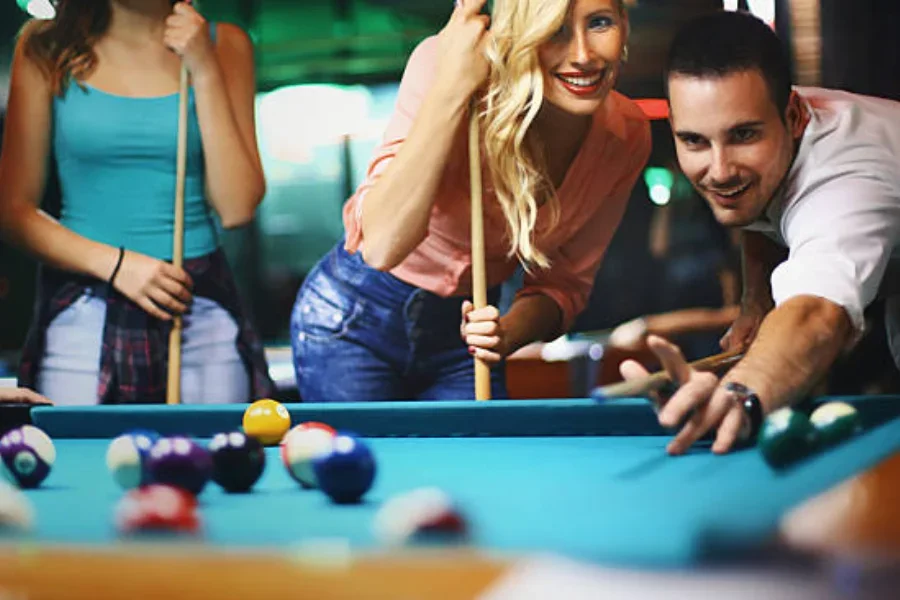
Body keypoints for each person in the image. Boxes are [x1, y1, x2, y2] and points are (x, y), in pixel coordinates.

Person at [290, 0, 651, 402]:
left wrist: (506, 333)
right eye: (554, 30)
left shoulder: (628, 134)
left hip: (467, 340)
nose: (583, 55)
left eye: (600, 23)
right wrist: (452, 86)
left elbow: (563, 285)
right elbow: (381, 246)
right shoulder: (445, 61)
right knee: (370, 467)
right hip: (354, 322)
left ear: (624, 24)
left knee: (480, 463)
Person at [620, 10, 900, 455]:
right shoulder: (765, 133)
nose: (719, 169)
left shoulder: (845, 182)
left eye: (743, 135)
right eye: (694, 140)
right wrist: (756, 303)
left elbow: (816, 314)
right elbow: (756, 211)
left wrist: (741, 394)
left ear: (793, 117)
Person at [0, 0, 274, 405]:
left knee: (211, 463)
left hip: (197, 305)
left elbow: (237, 207)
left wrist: (204, 68)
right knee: (80, 463)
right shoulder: (45, 45)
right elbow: (12, 210)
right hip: (84, 304)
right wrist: (118, 265)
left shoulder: (225, 44)